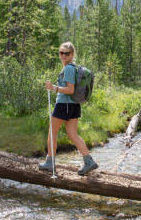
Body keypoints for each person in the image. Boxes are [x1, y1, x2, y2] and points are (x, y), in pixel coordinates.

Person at [39, 42, 99, 176]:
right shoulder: (73, 68)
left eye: (66, 53)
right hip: (74, 105)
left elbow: (70, 89)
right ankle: (88, 161)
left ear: (72, 54)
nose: (63, 56)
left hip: (64, 104)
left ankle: (50, 162)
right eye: (61, 53)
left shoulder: (68, 69)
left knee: (52, 131)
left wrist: (54, 88)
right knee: (72, 134)